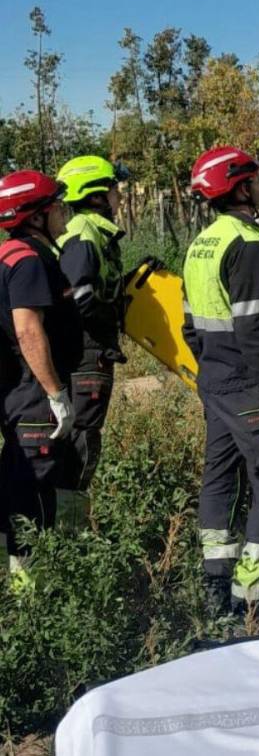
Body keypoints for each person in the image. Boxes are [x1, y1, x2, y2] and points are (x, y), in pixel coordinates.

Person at [183, 146, 259, 618]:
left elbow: (189, 324)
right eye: (254, 180)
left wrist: (212, 364)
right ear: (239, 189)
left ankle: (216, 586)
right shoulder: (247, 244)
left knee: (220, 476)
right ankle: (252, 598)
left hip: (214, 379)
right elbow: (255, 324)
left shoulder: (201, 243)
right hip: (249, 384)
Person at [0, 171, 82, 587]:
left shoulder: (9, 254)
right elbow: (28, 330)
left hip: (16, 390)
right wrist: (55, 394)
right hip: (34, 395)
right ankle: (31, 593)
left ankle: (30, 579)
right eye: (56, 207)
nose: (62, 213)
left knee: (20, 480)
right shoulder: (29, 260)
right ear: (35, 216)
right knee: (32, 493)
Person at [54, 155, 128, 528]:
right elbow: (78, 297)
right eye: (114, 188)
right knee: (81, 444)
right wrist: (112, 313)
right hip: (86, 353)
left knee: (81, 440)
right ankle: (67, 535)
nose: (119, 195)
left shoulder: (94, 232)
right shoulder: (84, 235)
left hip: (90, 351)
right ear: (97, 195)